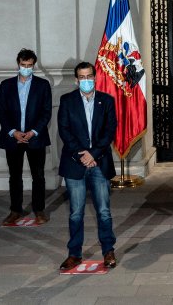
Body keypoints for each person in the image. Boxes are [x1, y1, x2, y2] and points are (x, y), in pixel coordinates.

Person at [58, 62, 119, 270]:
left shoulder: (107, 101)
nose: (86, 80)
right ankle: (74, 254)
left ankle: (108, 251)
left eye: (89, 76)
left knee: (103, 211)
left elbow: (110, 130)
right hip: (75, 164)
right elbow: (64, 131)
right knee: (76, 212)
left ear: (95, 77)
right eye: (82, 77)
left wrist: (93, 154)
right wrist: (81, 155)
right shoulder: (66, 101)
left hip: (99, 163)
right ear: (76, 80)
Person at [0, 48, 53, 225]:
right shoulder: (6, 85)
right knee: (15, 176)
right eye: (23, 65)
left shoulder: (42, 85)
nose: (26, 68)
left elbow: (46, 112)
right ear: (18, 64)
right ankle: (15, 210)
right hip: (13, 138)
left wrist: (33, 132)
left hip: (35, 138)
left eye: (29, 65)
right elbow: (1, 111)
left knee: (38, 176)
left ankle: (39, 210)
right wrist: (13, 132)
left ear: (34, 65)